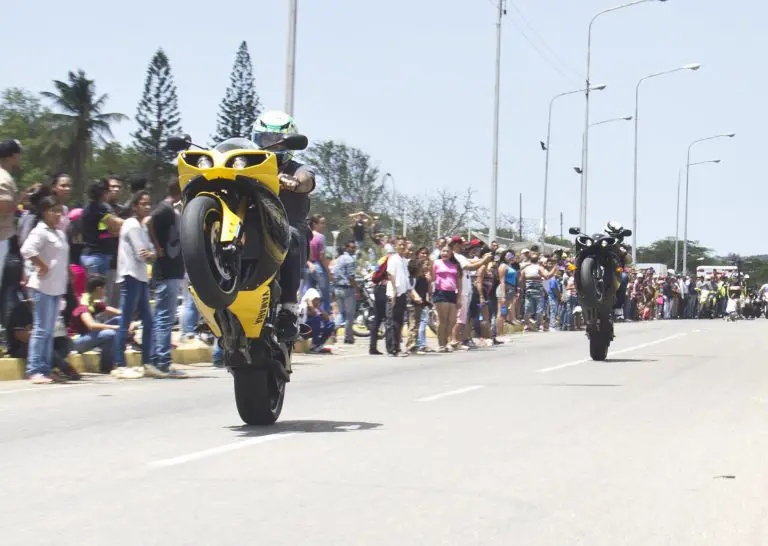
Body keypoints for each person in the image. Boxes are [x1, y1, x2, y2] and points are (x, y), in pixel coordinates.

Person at [252, 110, 316, 342]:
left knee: (290, 233)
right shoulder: (249, 165)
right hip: (253, 230)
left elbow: (307, 178)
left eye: (276, 140)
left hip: (287, 232)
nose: (271, 145)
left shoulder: (295, 168)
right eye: (266, 139)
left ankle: (289, 307)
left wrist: (294, 183)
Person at [20, 196, 70, 384]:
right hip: (43, 287)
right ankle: (34, 369)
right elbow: (27, 250)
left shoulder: (59, 232)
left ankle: (46, 367)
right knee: (41, 329)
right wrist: (42, 265)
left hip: (56, 287)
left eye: (60, 211)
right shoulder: (40, 231)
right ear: (44, 211)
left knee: (49, 331)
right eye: (54, 211)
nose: (58, 215)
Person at [146, 177, 187, 378]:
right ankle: (162, 361)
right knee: (164, 318)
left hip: (172, 271)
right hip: (166, 272)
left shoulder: (174, 209)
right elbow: (149, 221)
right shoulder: (165, 209)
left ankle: (157, 359)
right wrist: (157, 247)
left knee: (164, 317)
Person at [114, 191, 155, 379]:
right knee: (125, 320)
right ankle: (118, 364)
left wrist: (152, 253)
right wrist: (153, 254)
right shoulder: (131, 225)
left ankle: (147, 362)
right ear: (135, 206)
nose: (147, 207)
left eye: (149, 204)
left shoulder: (141, 226)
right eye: (143, 204)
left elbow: (151, 250)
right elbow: (143, 253)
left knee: (148, 320)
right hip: (130, 275)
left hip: (140, 277)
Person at [69, 274, 122, 373]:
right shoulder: (83, 305)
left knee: (120, 319)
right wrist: (114, 327)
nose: (105, 291)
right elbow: (91, 325)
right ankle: (107, 367)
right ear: (98, 289)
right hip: (76, 342)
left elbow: (112, 311)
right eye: (104, 289)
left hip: (87, 337)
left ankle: (117, 359)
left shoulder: (93, 302)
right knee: (109, 334)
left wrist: (127, 318)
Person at [81, 179, 123, 276]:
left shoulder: (88, 209)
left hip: (91, 255)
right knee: (97, 289)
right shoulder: (100, 209)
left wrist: (110, 232)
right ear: (104, 192)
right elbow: (116, 223)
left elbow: (101, 231)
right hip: (96, 257)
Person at [0, 139, 21, 290]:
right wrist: (21, 199)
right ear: (11, 156)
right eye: (18, 154)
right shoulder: (4, 178)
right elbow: (4, 207)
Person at [386, 237, 410, 356]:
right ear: (395, 246)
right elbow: (390, 274)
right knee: (392, 322)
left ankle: (397, 347)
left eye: (403, 245)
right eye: (400, 244)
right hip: (394, 293)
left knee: (399, 322)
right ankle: (392, 348)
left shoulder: (403, 260)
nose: (402, 246)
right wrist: (394, 291)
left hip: (402, 294)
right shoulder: (393, 259)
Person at [332, 240, 358, 344]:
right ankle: (348, 337)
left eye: (354, 247)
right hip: (347, 289)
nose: (353, 249)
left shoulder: (339, 258)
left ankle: (333, 330)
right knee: (350, 314)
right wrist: (356, 289)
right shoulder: (350, 260)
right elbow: (351, 277)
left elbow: (334, 272)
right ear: (347, 248)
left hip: (337, 288)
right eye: (351, 247)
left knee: (341, 313)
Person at [300, 288, 334, 353]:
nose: (318, 301)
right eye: (316, 299)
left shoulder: (317, 308)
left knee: (330, 324)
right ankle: (314, 345)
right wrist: (309, 303)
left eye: (318, 300)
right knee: (317, 319)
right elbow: (313, 313)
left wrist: (320, 310)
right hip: (304, 331)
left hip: (316, 330)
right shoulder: (304, 307)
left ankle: (318, 345)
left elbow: (327, 318)